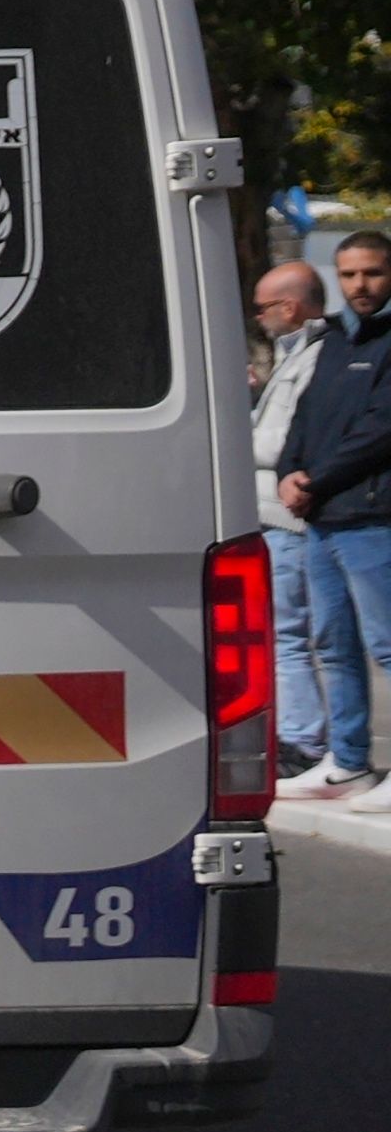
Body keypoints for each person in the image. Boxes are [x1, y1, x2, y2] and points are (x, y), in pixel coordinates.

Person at [275, 225, 391, 800]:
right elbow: (303, 417)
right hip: (321, 521)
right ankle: (349, 763)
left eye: (372, 272)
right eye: (348, 274)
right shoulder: (333, 343)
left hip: (373, 520)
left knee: (388, 645)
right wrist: (288, 472)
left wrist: (314, 481)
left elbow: (378, 433)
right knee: (334, 645)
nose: (360, 284)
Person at [250, 261, 330, 769]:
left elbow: (285, 440)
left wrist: (237, 435)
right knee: (289, 634)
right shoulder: (294, 354)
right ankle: (301, 735)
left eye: (262, 309)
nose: (258, 319)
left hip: (286, 520)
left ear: (289, 307)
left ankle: (303, 740)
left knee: (289, 635)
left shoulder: (314, 358)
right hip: (277, 517)